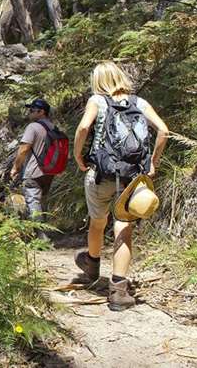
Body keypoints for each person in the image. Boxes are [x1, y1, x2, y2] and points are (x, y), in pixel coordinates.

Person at [73, 61, 169, 311]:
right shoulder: (140, 103)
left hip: (100, 174)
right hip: (132, 179)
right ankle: (118, 291)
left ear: (99, 81)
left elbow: (84, 127)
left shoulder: (97, 100)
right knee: (123, 229)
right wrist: (152, 163)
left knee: (97, 222)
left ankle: (92, 266)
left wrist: (78, 156)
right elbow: (163, 131)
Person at [10, 98, 57, 233]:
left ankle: (41, 237)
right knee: (42, 202)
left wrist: (15, 168)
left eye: (32, 110)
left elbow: (24, 149)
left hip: (33, 172)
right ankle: (45, 231)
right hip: (50, 171)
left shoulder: (33, 127)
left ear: (41, 112)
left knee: (34, 202)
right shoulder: (53, 127)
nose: (29, 113)